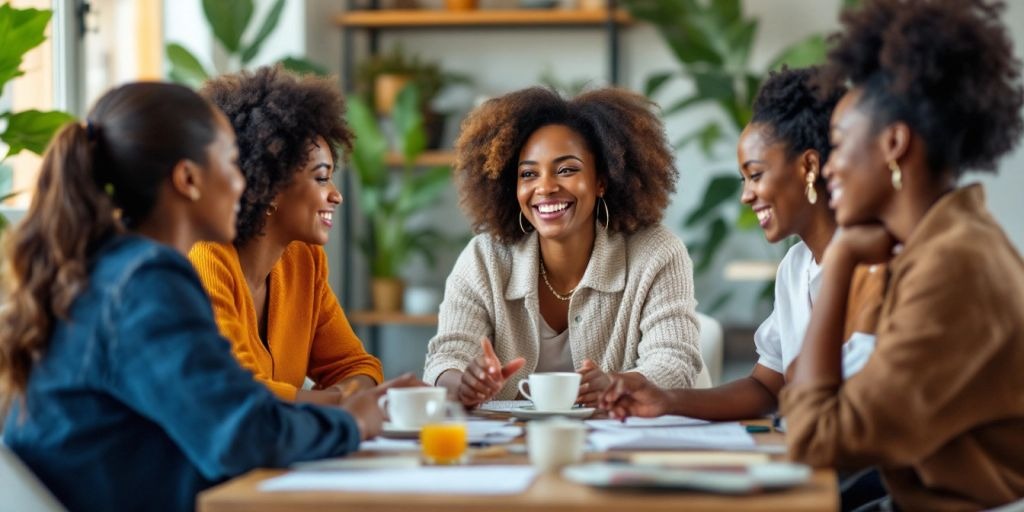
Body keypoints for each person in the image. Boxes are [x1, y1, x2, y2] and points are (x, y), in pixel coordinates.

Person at [0, 82, 414, 512]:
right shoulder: (146, 279)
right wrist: (352, 420)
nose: (246, 183)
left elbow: (230, 414)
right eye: (233, 164)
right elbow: (242, 435)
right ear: (188, 179)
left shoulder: (107, 268)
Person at [781, 0, 1024, 509]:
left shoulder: (954, 264)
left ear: (894, 144)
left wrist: (844, 255)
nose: (829, 168)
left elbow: (816, 438)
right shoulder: (937, 247)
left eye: (840, 144)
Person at [598, 66, 885, 421]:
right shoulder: (796, 266)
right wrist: (667, 400)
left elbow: (820, 386)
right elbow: (767, 386)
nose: (747, 195)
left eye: (757, 175)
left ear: (809, 166)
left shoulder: (876, 262)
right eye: (744, 179)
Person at [424, 87, 703, 408]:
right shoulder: (484, 258)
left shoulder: (656, 253)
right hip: (512, 448)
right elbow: (445, 358)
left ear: (602, 180)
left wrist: (617, 384)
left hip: (620, 443)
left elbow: (675, 361)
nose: (545, 187)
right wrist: (463, 384)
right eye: (528, 174)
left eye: (567, 169)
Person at [189, 66, 382, 404]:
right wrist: (340, 402)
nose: (336, 195)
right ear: (270, 187)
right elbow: (238, 393)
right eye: (321, 178)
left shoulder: (303, 262)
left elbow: (356, 366)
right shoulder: (207, 260)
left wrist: (331, 397)